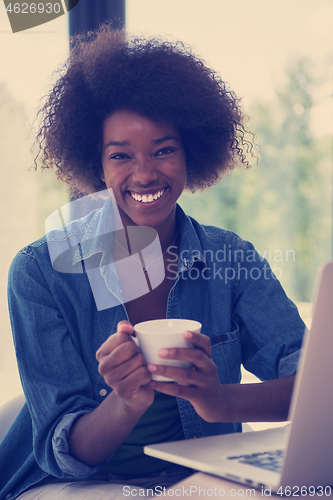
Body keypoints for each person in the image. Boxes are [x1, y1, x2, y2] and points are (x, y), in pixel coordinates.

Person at [0, 25, 305, 499]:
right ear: (96, 163)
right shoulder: (40, 273)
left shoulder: (229, 258)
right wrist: (125, 402)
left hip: (200, 483)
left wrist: (220, 400)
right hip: (77, 485)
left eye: (163, 150)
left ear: (191, 153)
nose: (144, 173)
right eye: (121, 155)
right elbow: (66, 452)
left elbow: (312, 384)